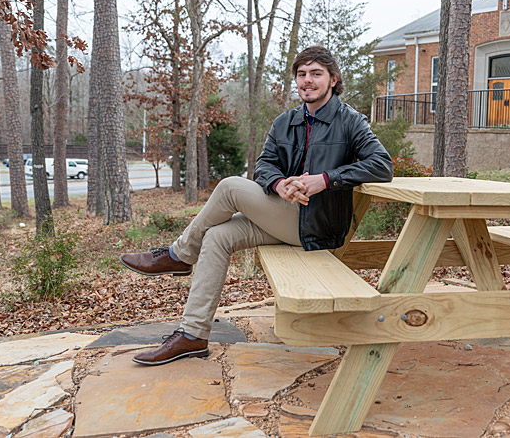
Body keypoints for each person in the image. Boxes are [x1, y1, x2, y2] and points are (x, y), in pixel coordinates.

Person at [119, 46, 393, 365]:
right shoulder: (285, 122)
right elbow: (263, 166)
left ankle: (179, 255)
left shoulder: (350, 121)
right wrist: (279, 184)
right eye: (301, 74)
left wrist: (325, 179)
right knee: (217, 237)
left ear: (333, 80)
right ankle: (193, 335)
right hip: (284, 215)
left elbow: (381, 165)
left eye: (316, 73)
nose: (307, 80)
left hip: (318, 226)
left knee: (229, 187)